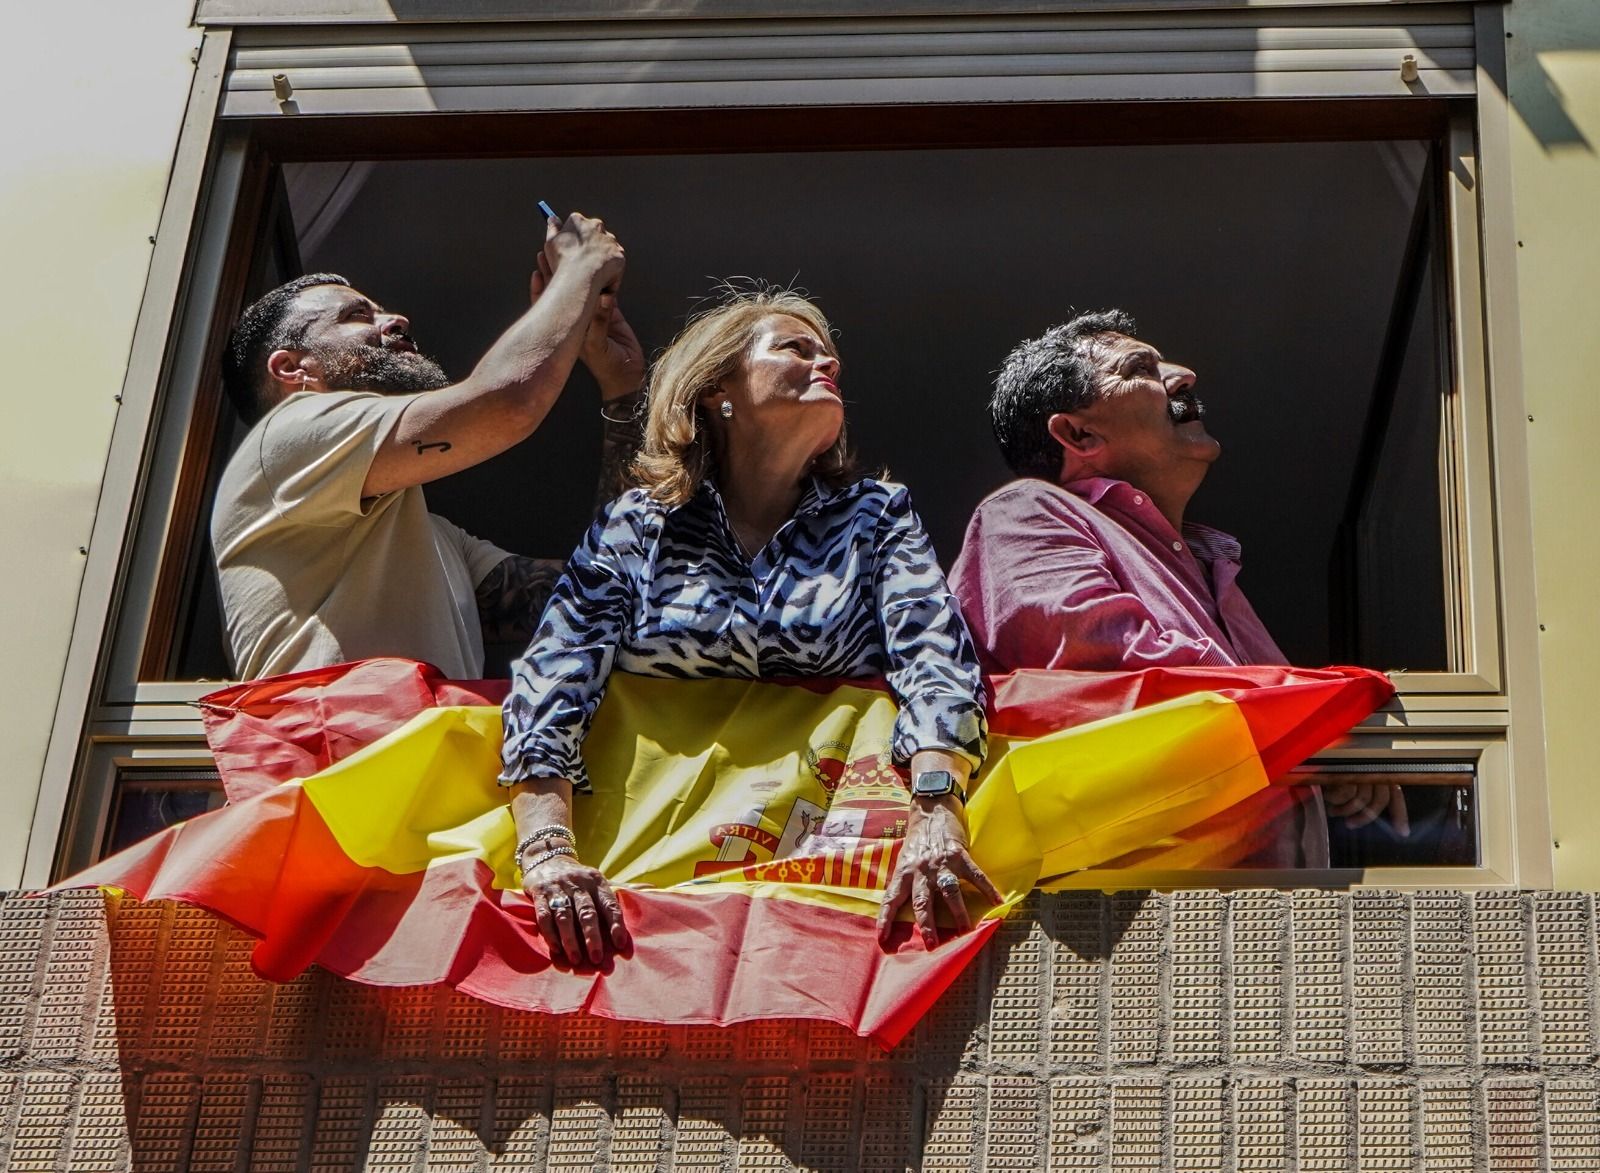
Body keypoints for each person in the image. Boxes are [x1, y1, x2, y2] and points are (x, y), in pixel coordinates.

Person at [497, 287, 1002, 966]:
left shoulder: (877, 516)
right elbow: (552, 677)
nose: (826, 362)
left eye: (831, 356)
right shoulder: (638, 525)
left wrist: (938, 811)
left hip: (825, 866)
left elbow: (936, 661)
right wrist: (547, 849)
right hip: (637, 865)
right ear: (715, 388)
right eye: (796, 347)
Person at [950, 310, 1405, 868]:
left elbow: (1257, 719)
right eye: (1140, 367)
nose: (1185, 375)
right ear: (1078, 433)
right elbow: (1116, 669)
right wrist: (1321, 721)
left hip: (1267, 915)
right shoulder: (1026, 513)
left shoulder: (1211, 561)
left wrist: (1326, 748)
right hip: (1131, 914)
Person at [212, 212, 644, 680]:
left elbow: (603, 596)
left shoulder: (430, 537)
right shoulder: (284, 437)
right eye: (357, 315)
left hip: (415, 754)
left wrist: (623, 390)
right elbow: (508, 402)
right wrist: (579, 269)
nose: (396, 319)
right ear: (293, 369)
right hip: (342, 756)